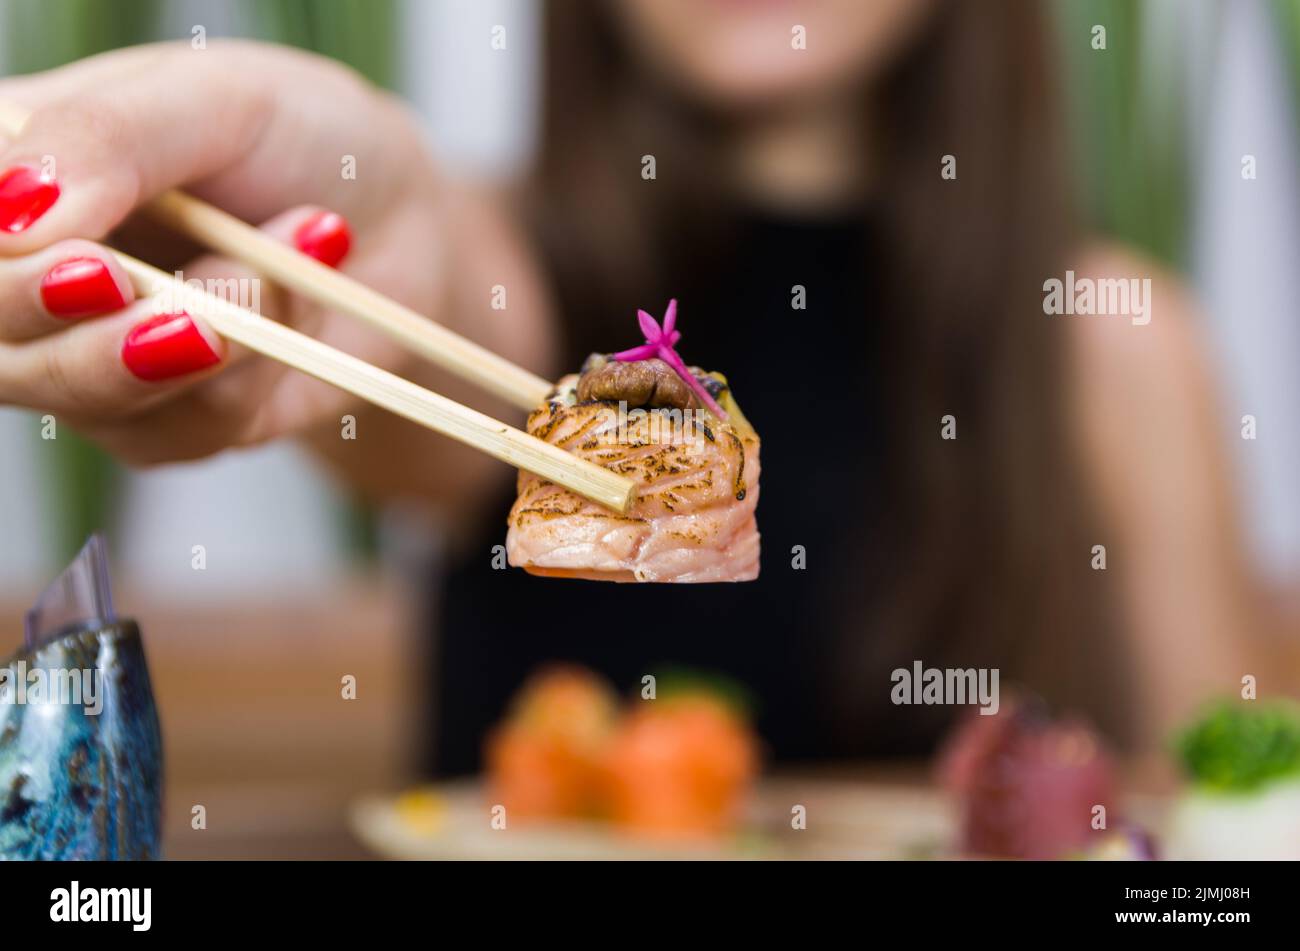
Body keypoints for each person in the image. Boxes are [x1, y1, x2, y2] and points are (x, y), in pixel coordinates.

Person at [0, 2, 1266, 773]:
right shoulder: (504, 282)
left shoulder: (1116, 344)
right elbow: (410, 306)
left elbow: (1229, 842)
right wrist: (316, 171)